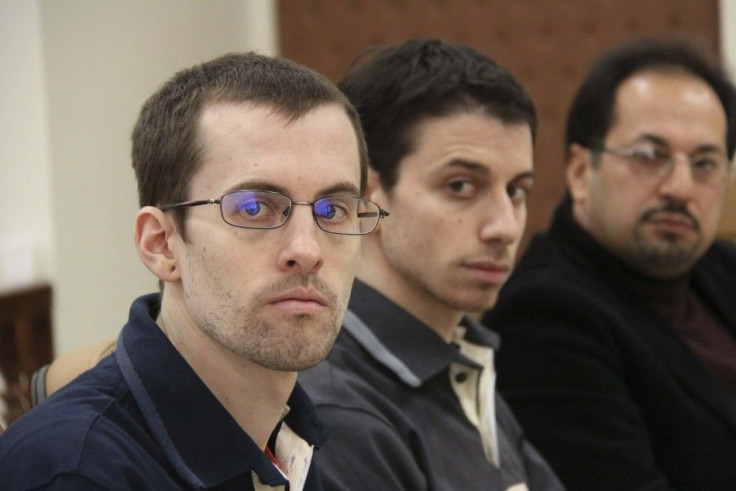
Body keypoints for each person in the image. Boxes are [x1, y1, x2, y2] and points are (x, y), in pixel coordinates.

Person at [0, 51, 387, 490]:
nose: (306, 249)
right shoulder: (76, 471)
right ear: (161, 243)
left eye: (333, 209)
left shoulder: (289, 434)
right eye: (255, 207)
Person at [298, 39, 563, 490]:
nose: (504, 227)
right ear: (368, 194)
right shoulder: (335, 408)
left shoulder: (464, 354)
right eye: (461, 185)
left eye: (516, 190)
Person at [483, 37, 736, 490]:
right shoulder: (545, 317)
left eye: (705, 163)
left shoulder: (723, 269)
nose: (680, 186)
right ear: (581, 172)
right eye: (649, 156)